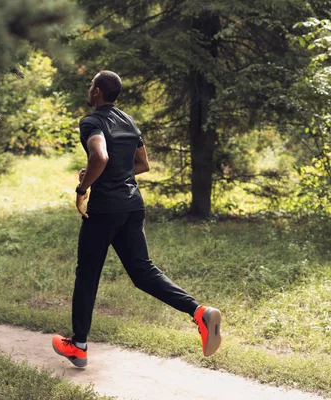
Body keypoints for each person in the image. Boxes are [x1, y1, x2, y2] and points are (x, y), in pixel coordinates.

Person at [52, 71, 221, 368]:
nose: (89, 90)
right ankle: (200, 312)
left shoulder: (92, 122)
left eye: (92, 86)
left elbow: (100, 157)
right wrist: (105, 172)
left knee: (87, 273)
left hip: (104, 209)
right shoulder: (128, 121)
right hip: (132, 206)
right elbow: (142, 164)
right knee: (143, 272)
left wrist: (83, 188)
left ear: (98, 92)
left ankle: (78, 345)